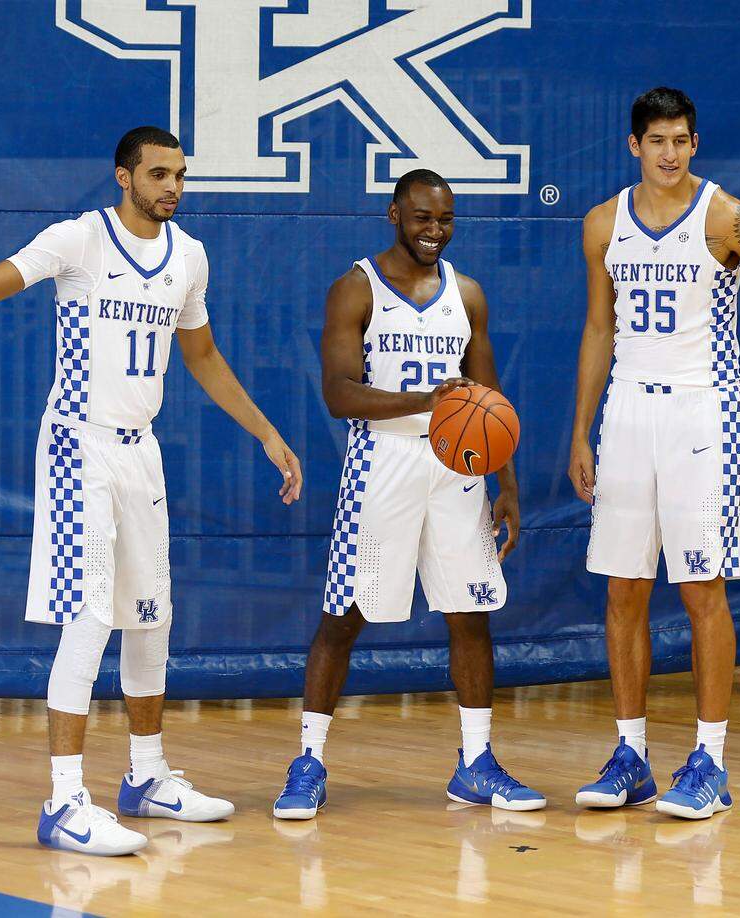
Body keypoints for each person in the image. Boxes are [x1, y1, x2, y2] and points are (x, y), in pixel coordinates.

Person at [0, 126, 303, 855]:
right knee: (88, 617)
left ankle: (145, 778)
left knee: (151, 617)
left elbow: (202, 355)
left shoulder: (190, 257)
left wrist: (266, 433)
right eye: (158, 174)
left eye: (180, 174)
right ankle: (63, 802)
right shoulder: (79, 240)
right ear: (124, 177)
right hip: (76, 445)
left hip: (140, 452)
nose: (172, 186)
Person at [568, 87, 740, 819]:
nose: (670, 152)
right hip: (626, 413)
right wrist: (581, 431)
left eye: (681, 139)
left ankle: (710, 762)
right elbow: (598, 331)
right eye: (657, 140)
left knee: (700, 589)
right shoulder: (600, 225)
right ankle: (631, 755)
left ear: (694, 144)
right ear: (633, 146)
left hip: (702, 414)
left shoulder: (726, 216)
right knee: (623, 588)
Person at [271, 169, 545, 821]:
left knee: (469, 612)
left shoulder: (467, 295)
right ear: (394, 214)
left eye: (445, 220)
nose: (435, 231)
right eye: (423, 217)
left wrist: (506, 486)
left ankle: (476, 763)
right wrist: (423, 403)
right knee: (345, 615)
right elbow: (338, 393)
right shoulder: (356, 288)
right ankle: (308, 761)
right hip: (383, 465)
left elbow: (489, 397)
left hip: (458, 471)